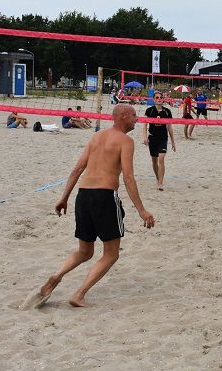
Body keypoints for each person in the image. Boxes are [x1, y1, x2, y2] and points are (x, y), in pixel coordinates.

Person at [28, 105, 155, 308]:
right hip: (104, 197)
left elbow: (77, 169)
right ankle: (79, 294)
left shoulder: (96, 137)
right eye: (133, 115)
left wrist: (64, 198)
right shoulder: (126, 141)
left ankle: (57, 275)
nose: (137, 119)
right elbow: (128, 177)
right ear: (123, 116)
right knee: (111, 254)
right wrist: (142, 210)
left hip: (83, 196)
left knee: (85, 251)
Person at [143, 91, 176, 190]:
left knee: (161, 158)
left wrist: (173, 141)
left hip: (163, 138)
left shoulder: (167, 111)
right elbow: (145, 124)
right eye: (157, 97)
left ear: (163, 99)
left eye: (161, 97)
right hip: (152, 138)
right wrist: (145, 137)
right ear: (154, 99)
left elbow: (169, 127)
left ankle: (160, 183)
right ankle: (158, 178)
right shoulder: (149, 111)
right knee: (154, 161)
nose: (159, 99)